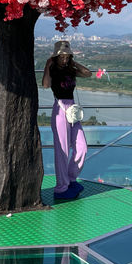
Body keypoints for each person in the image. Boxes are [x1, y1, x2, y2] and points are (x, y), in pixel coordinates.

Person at [42, 40, 92, 200]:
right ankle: (61, 187)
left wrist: (73, 62)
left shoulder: (70, 69)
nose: (64, 58)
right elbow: (45, 85)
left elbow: (88, 73)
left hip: (72, 110)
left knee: (82, 147)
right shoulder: (53, 69)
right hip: (60, 109)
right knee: (62, 151)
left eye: (66, 55)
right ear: (55, 57)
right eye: (61, 56)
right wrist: (48, 64)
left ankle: (70, 178)